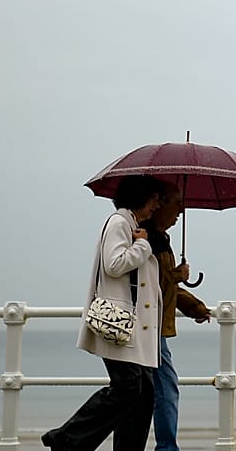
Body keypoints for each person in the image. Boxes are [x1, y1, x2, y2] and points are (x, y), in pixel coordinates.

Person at [43, 175, 166, 451]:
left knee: (142, 395)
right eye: (155, 200)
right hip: (120, 325)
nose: (156, 207)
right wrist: (143, 245)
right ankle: (67, 438)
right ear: (140, 197)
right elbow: (114, 264)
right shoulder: (120, 223)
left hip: (134, 331)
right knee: (128, 389)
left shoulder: (133, 225)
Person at [144, 182, 212, 451]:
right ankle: (166, 448)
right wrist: (177, 276)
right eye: (177, 204)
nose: (181, 212)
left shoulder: (159, 239)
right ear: (159, 204)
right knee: (165, 390)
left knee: (145, 392)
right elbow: (157, 286)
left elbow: (164, 287)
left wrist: (194, 306)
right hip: (151, 328)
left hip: (154, 327)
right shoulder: (149, 239)